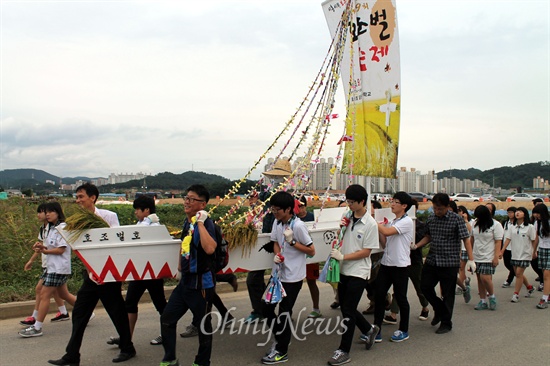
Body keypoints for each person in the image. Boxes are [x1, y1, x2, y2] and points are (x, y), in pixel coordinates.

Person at [49, 183, 136, 366]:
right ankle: (72, 355)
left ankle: (127, 348)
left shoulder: (108, 216)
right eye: (77, 197)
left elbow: (116, 242)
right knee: (80, 313)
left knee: (116, 312)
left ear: (93, 198)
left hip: (108, 274)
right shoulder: (76, 221)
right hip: (91, 275)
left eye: (81, 196)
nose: (78, 200)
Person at [160, 185, 217, 366]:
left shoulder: (206, 224)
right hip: (185, 282)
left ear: (203, 204)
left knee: (203, 326)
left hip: (201, 285)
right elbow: (183, 245)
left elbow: (210, 248)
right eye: (186, 198)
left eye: (192, 199)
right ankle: (169, 359)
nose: (186, 201)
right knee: (167, 319)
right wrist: (178, 269)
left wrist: (200, 223)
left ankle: (202, 362)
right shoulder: (187, 222)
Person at [328, 185, 380, 366]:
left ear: (362, 202)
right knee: (344, 306)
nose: (348, 204)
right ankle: (369, 329)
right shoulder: (347, 216)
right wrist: (340, 229)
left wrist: (343, 257)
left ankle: (343, 351)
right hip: (343, 269)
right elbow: (340, 239)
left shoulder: (371, 224)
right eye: (347, 201)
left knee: (348, 311)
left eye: (351, 202)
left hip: (358, 271)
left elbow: (366, 252)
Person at [261, 191, 315, 365]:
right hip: (278, 275)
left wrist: (292, 242)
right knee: (266, 308)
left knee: (284, 312)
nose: (274, 212)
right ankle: (281, 338)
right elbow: (275, 242)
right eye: (272, 209)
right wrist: (277, 255)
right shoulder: (277, 222)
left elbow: (311, 251)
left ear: (288, 209)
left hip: (293, 277)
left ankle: (281, 351)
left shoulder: (298, 226)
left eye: (277, 209)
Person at [106, 195, 166, 346]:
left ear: (147, 210)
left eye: (137, 210)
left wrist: (148, 221)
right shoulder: (142, 223)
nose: (135, 213)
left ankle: (166, 333)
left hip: (152, 272)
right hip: (139, 272)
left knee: (160, 305)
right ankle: (126, 337)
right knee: (130, 303)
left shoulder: (154, 226)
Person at [416, 193, 475, 335]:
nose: (437, 211)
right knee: (425, 287)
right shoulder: (431, 218)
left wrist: (471, 259)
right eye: (435, 208)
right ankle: (440, 309)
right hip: (432, 260)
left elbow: (466, 239)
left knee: (448, 294)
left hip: (449, 261)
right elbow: (428, 236)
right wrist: (417, 246)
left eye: (440, 209)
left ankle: (446, 323)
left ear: (448, 207)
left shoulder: (456, 219)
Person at [19, 202, 77, 337]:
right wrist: (41, 247)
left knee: (44, 294)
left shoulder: (63, 228)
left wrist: (45, 251)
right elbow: (49, 246)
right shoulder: (50, 228)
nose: (48, 214)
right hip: (52, 267)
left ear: (58, 213)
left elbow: (61, 249)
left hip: (58, 267)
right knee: (63, 294)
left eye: (51, 211)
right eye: (47, 212)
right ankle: (86, 310)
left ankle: (37, 327)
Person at [373, 192, 414, 343]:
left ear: (404, 206)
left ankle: (403, 329)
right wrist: (379, 230)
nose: (392, 204)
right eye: (392, 201)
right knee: (379, 295)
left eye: (396, 202)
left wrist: (373, 222)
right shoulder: (392, 221)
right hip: (386, 263)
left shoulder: (407, 222)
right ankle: (376, 330)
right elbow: (386, 241)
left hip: (400, 265)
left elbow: (387, 231)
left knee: (401, 297)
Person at [388, 199, 430, 322]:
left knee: (419, 286)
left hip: (414, 259)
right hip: (401, 260)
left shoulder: (420, 224)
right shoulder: (396, 222)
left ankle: (425, 307)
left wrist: (415, 244)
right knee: (399, 287)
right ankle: (394, 314)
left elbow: (420, 238)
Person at [500, 207, 536, 302]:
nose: (517, 213)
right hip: (515, 253)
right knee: (517, 273)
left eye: (520, 211)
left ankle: (516, 294)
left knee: (519, 273)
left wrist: (534, 251)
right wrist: (502, 250)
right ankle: (529, 287)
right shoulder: (512, 227)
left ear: (525, 214)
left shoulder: (530, 227)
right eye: (517, 211)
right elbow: (508, 239)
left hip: (525, 254)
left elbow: (534, 240)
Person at [471, 205, 503, 310]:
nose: (478, 218)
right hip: (476, 255)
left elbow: (498, 241)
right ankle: (483, 301)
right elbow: (471, 239)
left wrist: (496, 257)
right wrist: (470, 256)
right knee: (479, 279)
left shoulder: (496, 225)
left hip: (489, 256)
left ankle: (492, 296)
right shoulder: (475, 224)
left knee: (485, 278)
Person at [298, 196, 321, 318]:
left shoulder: (312, 217)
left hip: (310, 255)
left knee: (312, 281)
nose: (300, 209)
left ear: (305, 206)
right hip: (297, 254)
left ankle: (316, 308)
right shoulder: (293, 219)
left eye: (302, 206)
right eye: (298, 206)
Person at [532, 204, 550, 309]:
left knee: (546, 275)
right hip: (542, 250)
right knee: (545, 274)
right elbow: (536, 239)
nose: (536, 215)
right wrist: (534, 251)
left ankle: (544, 298)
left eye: (537, 213)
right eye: (535, 213)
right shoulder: (537, 223)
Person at [455, 205, 473, 303]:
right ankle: (466, 280)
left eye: (460, 211)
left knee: (461, 268)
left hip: (467, 248)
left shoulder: (471, 221)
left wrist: (465, 220)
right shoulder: (456, 221)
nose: (459, 213)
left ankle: (460, 286)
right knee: (460, 269)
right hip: (459, 248)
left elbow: (471, 232)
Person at [501, 207, 517, 287]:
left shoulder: (517, 223)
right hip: (506, 247)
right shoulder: (505, 222)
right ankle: (519, 276)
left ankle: (509, 280)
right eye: (508, 212)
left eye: (511, 212)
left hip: (514, 247)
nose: (510, 214)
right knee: (507, 264)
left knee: (513, 265)